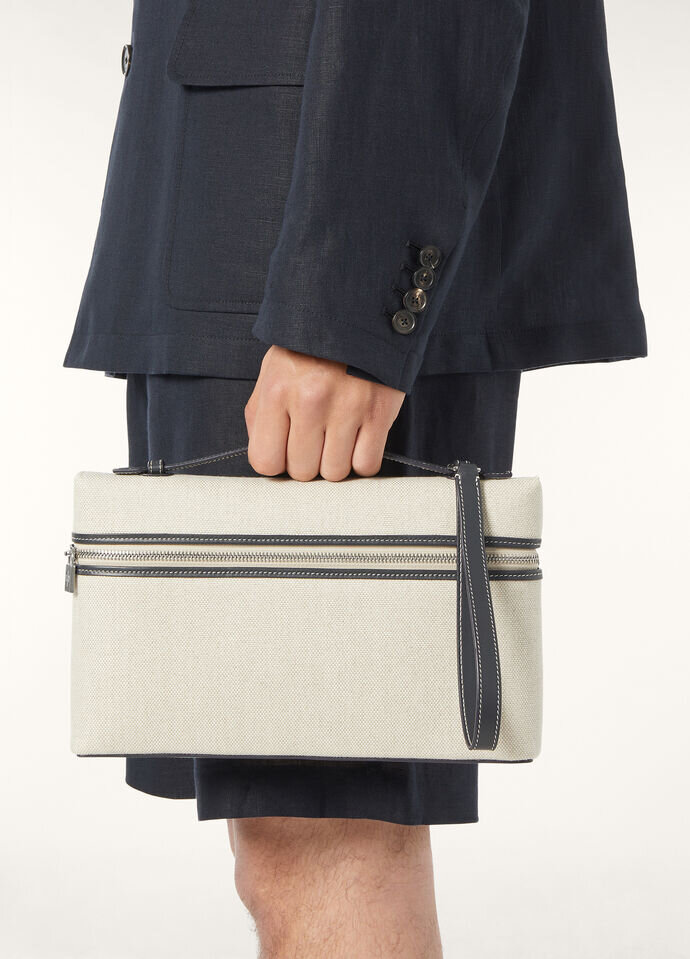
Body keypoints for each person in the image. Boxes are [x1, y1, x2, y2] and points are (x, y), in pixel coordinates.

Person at [64, 1, 647, 955]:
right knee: (290, 835)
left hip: (306, 207)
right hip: (245, 189)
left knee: (323, 834)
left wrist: (348, 302)